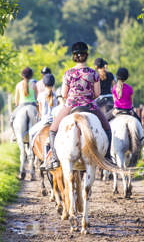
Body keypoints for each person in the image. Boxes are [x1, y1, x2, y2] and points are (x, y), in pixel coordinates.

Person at [46, 41, 113, 170]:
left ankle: (54, 159)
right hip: (90, 106)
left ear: (74, 56)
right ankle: (108, 157)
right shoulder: (93, 73)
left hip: (71, 106)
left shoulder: (68, 73)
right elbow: (97, 93)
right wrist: (87, 98)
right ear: (86, 55)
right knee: (107, 128)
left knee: (53, 130)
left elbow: (64, 94)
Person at [28, 74, 57, 168]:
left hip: (44, 121)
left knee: (31, 133)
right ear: (54, 84)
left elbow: (40, 111)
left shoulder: (40, 95)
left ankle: (31, 155)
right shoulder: (56, 94)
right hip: (55, 122)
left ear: (44, 84)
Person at [10, 67, 38, 142]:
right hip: (33, 104)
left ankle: (14, 134)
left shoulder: (18, 85)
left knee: (12, 118)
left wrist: (17, 105)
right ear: (31, 76)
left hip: (22, 105)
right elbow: (37, 97)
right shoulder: (34, 84)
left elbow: (16, 100)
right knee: (40, 118)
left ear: (23, 75)